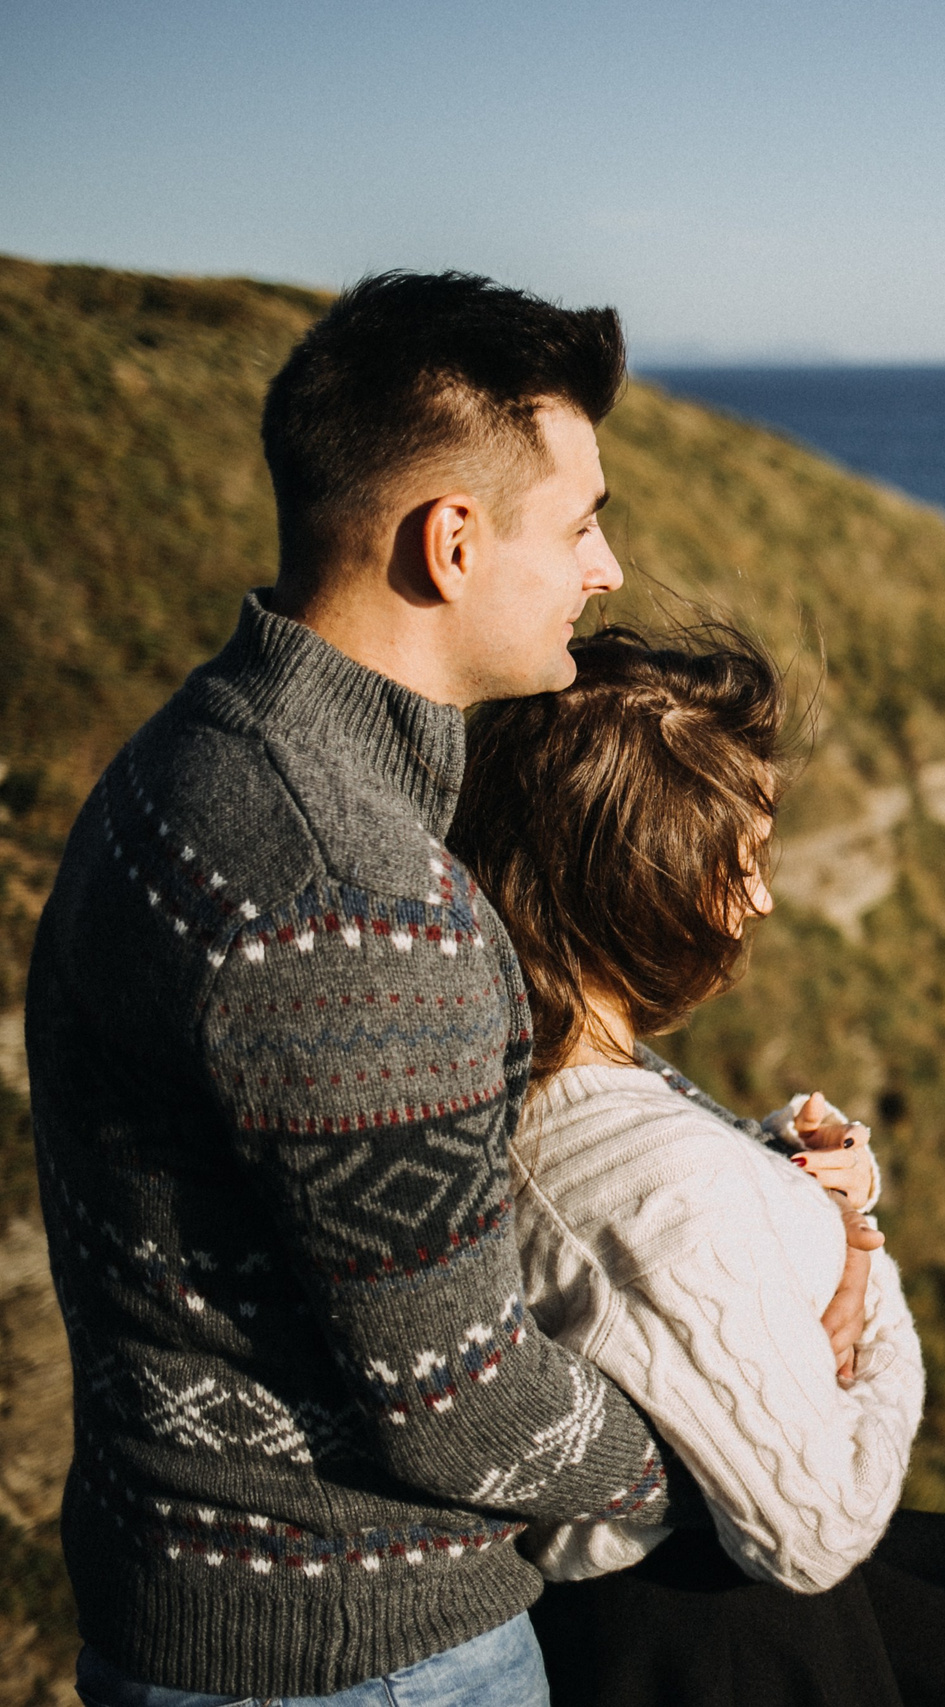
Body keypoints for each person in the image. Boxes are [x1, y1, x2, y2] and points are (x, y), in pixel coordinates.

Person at [24, 271, 859, 1705]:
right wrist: (740, 1436)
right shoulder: (353, 899)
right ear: (452, 542)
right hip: (360, 1648)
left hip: (201, 1602)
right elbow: (462, 1410)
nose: (607, 569)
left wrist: (755, 1178)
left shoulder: (196, 755)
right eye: (581, 522)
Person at [450, 630, 945, 1707]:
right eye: (744, 858)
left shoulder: (516, 1080)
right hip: (726, 1645)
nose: (760, 900)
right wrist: (863, 1279)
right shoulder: (673, 1190)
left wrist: (782, 1175)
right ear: (638, 878)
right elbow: (818, 1527)